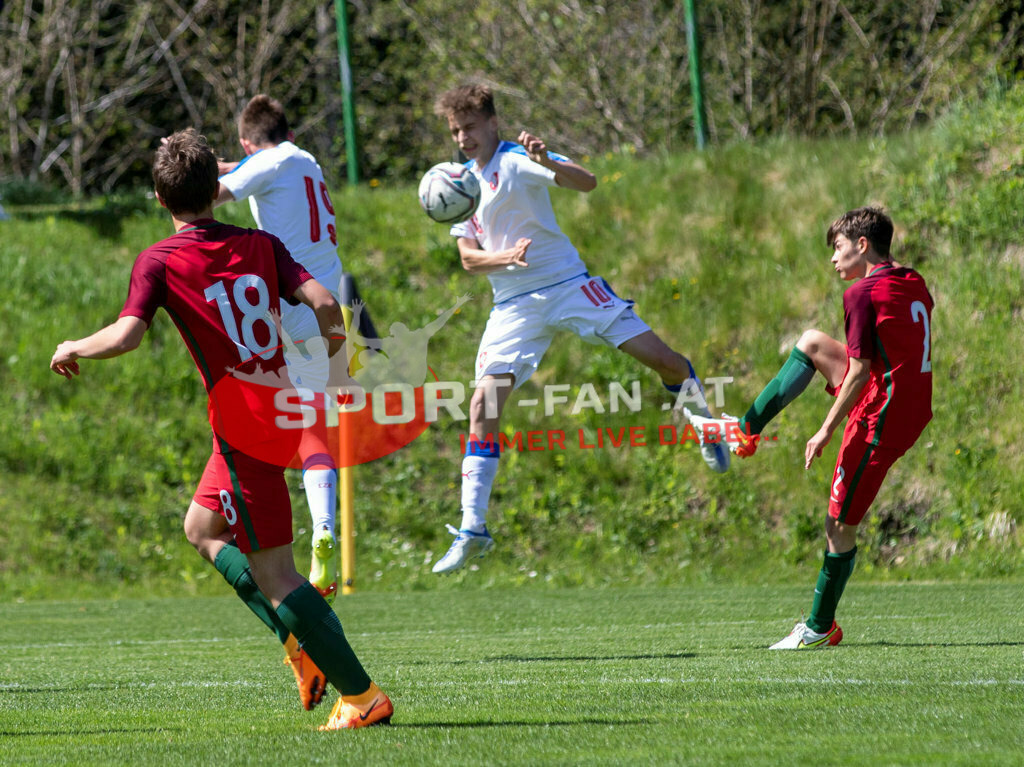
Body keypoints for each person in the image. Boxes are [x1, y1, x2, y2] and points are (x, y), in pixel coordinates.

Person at [49, 129, 393, 728]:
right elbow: (327, 304)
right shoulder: (261, 244)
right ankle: (299, 647)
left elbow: (128, 336)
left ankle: (362, 697)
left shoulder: (160, 259)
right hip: (274, 410)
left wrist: (73, 344)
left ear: (160, 197)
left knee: (278, 574)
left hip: (246, 430)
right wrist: (337, 375)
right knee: (202, 528)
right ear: (217, 188)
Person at [430, 83, 729, 575]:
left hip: (568, 283)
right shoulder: (458, 183)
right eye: (455, 130)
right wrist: (503, 258)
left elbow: (586, 182)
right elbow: (466, 257)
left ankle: (703, 421)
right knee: (482, 404)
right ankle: (473, 529)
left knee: (662, 360)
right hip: (512, 306)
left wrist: (548, 160)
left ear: (492, 124)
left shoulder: (518, 159)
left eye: (470, 127)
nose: (463, 137)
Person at [689, 206, 933, 649]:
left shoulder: (861, 294)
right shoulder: (912, 280)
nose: (833, 258)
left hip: (884, 415)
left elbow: (858, 374)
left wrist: (823, 430)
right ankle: (745, 429)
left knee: (839, 525)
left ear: (862, 245)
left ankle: (820, 628)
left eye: (838, 248)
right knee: (812, 342)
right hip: (906, 400)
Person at [215, 94, 343, 601]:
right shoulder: (302, 158)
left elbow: (218, 191)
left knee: (254, 416)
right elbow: (253, 166)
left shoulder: (264, 164)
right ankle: (325, 525)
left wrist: (182, 167)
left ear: (248, 142)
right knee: (312, 427)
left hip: (285, 299)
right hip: (328, 297)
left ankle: (250, 530)